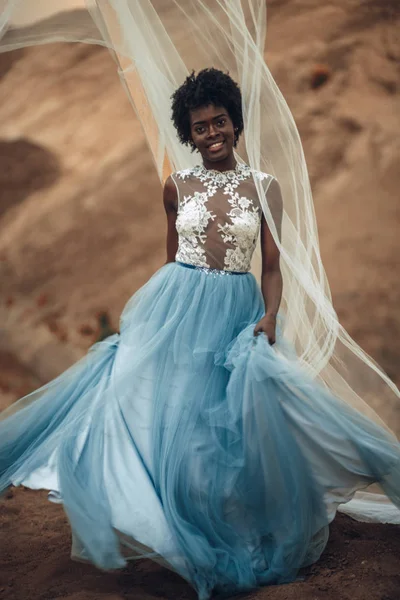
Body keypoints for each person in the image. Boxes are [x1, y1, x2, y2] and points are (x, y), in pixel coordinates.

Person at [1, 67, 400, 600]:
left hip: (236, 308)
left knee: (223, 425)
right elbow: (172, 259)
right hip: (176, 306)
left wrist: (271, 316)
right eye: (200, 127)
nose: (212, 134)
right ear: (187, 134)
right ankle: (162, 527)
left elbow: (273, 266)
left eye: (220, 122)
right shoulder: (177, 185)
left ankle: (234, 522)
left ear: (236, 124)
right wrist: (156, 320)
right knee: (152, 407)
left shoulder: (263, 187)